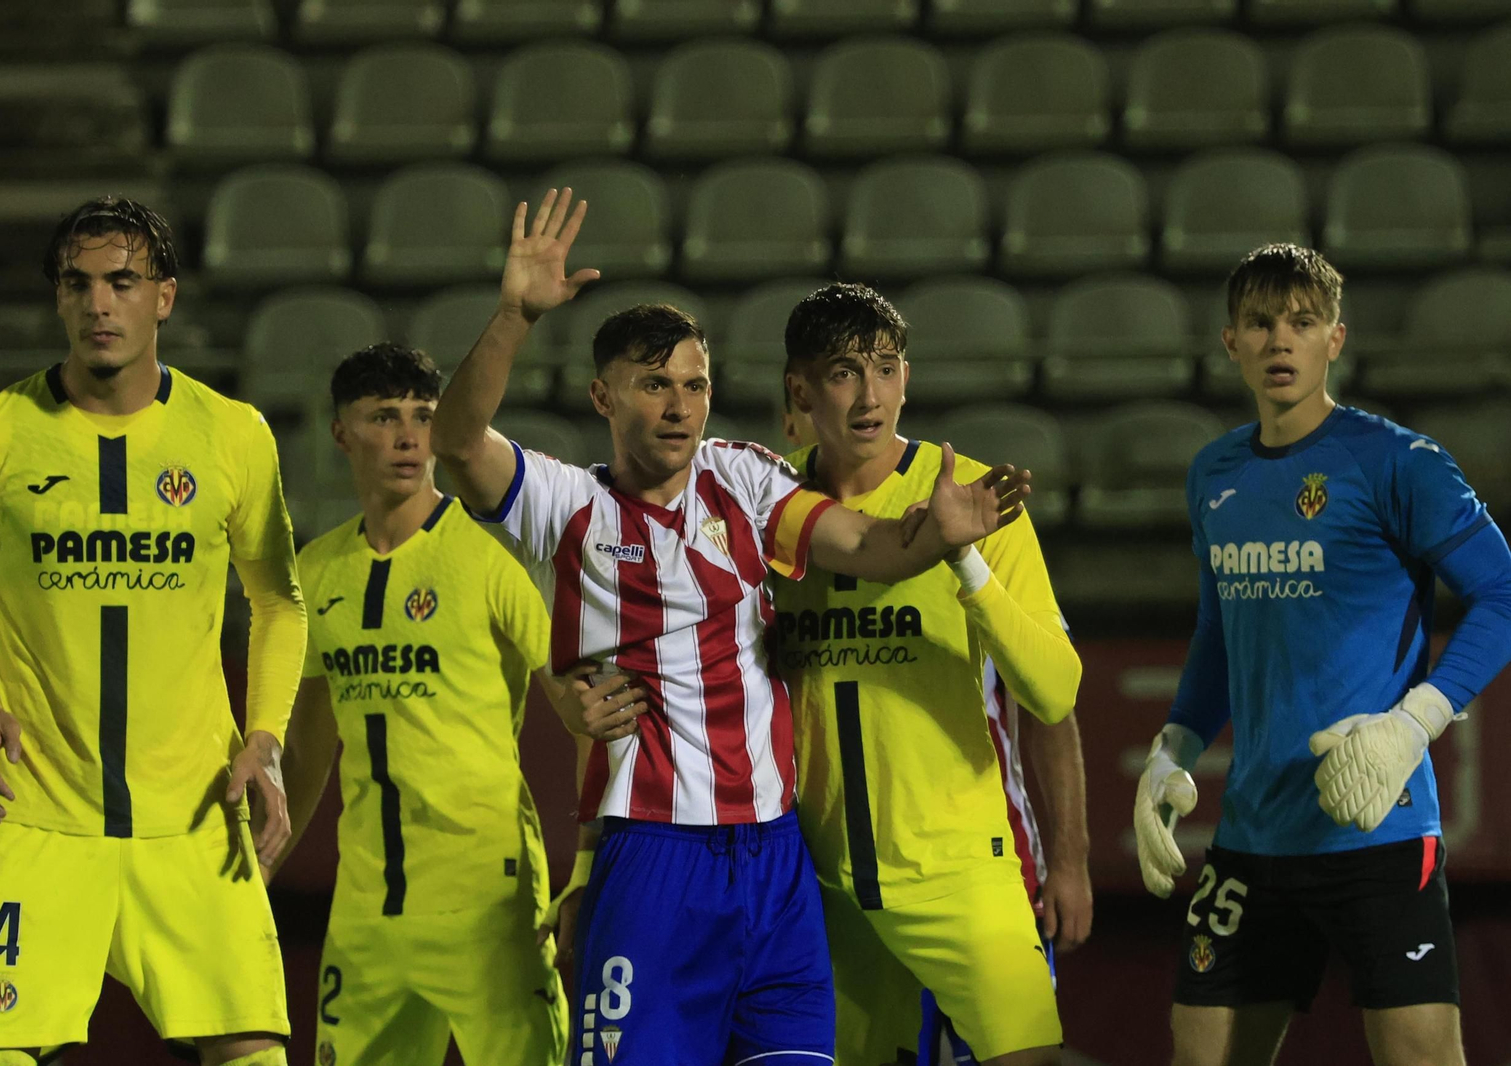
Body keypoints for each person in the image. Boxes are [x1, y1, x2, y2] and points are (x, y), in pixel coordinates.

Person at [430, 188, 1029, 1065]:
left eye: (695, 384)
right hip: (652, 861)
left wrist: (935, 533)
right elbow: (456, 441)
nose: (679, 405)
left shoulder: (744, 478)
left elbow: (862, 542)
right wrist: (516, 315)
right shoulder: (565, 505)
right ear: (603, 395)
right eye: (654, 385)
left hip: (778, 864)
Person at [0, 198, 306, 1066]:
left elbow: (279, 602)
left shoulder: (233, 436)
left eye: (122, 282)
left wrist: (268, 737)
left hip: (195, 818)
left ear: (162, 297)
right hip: (37, 820)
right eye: (78, 284)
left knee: (255, 1053)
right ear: (58, 298)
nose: (99, 304)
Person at [1133, 244, 1511, 1066]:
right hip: (1252, 838)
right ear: (1229, 340)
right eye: (1261, 323)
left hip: (1378, 833)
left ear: (1335, 339)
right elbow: (1217, 636)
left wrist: (1416, 723)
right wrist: (1174, 750)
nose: (1281, 341)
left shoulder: (1397, 463)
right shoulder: (1213, 474)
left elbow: (1503, 594)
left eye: (1302, 324)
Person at [774, 283, 1084, 1066]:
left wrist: (968, 564)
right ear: (800, 390)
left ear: (907, 378)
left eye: (885, 369)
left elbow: (1053, 692)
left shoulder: (979, 502)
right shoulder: (764, 504)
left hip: (959, 868)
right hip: (821, 882)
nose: (870, 395)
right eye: (845, 373)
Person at [275, 342, 567, 1066]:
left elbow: (588, 710)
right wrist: (260, 869)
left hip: (489, 903)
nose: (409, 436)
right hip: (367, 911)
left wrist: (592, 865)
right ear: (341, 432)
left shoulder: (492, 555)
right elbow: (307, 751)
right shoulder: (315, 572)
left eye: (423, 416)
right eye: (384, 417)